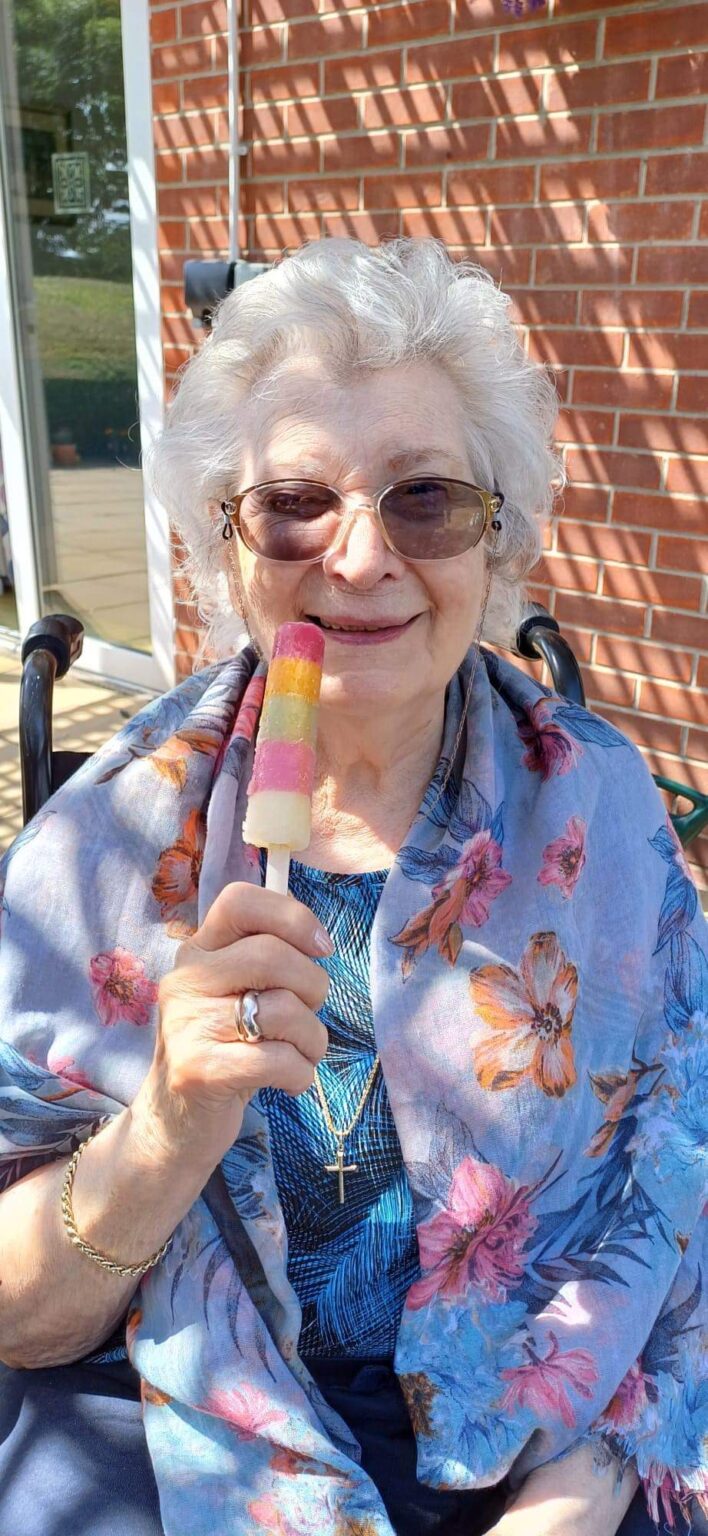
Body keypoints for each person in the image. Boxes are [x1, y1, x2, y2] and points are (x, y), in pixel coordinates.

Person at [0, 235, 706, 1536]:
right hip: (179, 1410)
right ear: (228, 545)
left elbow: (683, 1176)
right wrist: (165, 1127)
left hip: (547, 1417)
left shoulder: (604, 810)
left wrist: (589, 1483)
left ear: (496, 538)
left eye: (425, 498)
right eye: (296, 503)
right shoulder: (97, 850)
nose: (363, 557)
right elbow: (19, 1316)